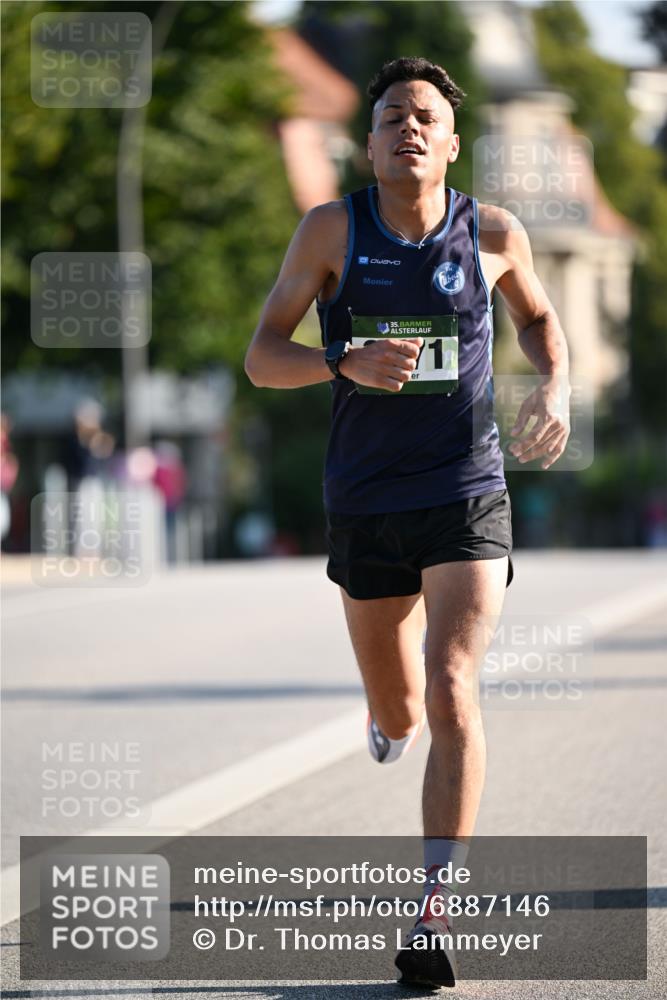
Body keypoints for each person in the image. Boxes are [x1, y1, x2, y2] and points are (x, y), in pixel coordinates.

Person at [245, 56, 570, 988]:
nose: (409, 128)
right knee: (401, 709)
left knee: (453, 683)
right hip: (363, 499)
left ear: (452, 143)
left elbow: (538, 320)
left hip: (465, 489)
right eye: (392, 117)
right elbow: (263, 356)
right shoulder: (330, 230)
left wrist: (554, 383)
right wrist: (339, 360)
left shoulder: (493, 230)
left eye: (425, 117)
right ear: (369, 143)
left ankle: (433, 913)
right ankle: (385, 721)